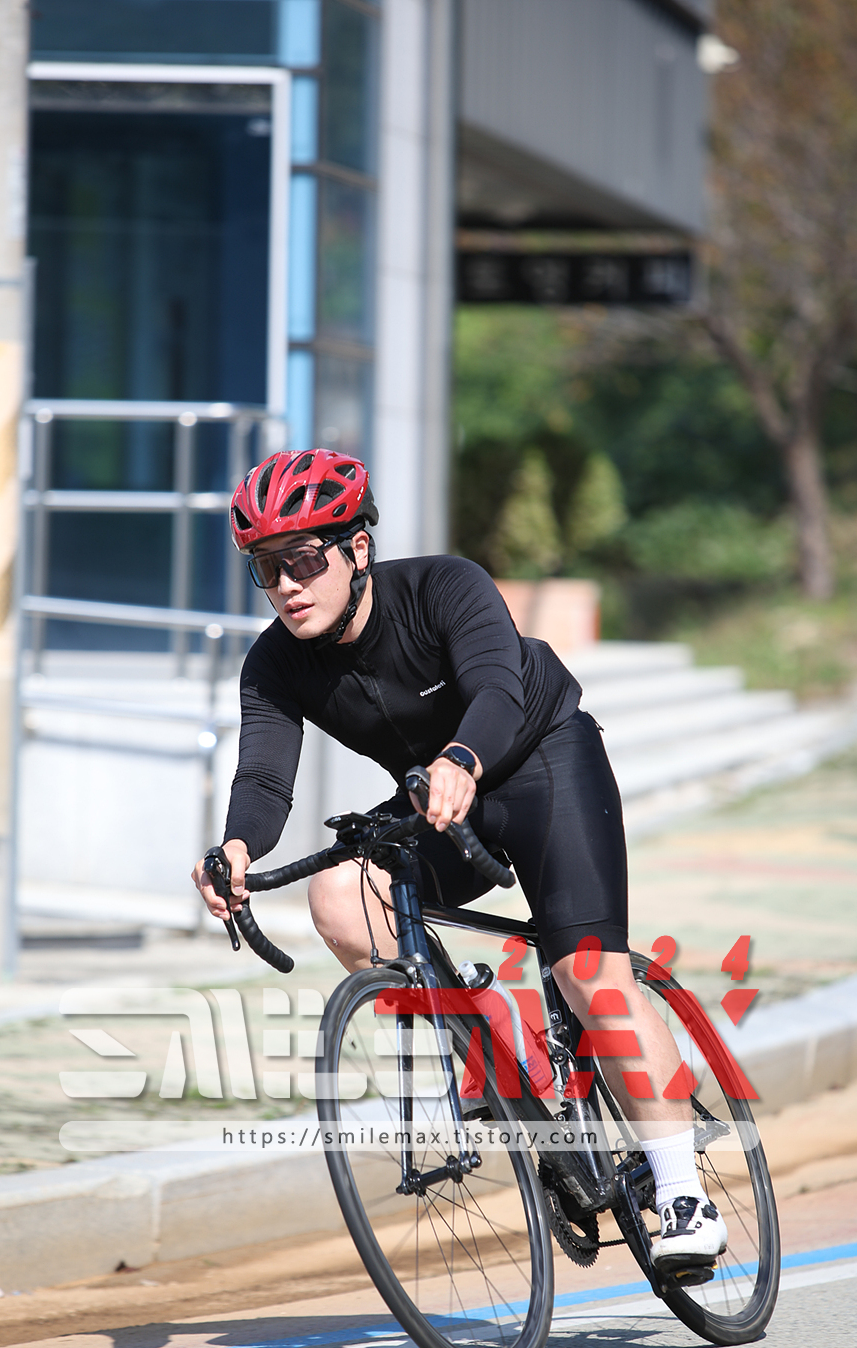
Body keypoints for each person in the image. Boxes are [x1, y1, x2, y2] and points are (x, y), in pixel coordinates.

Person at [191, 448, 726, 1267]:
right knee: (339, 896)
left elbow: (497, 691)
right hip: (435, 796)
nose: (288, 585)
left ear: (357, 549)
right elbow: (264, 775)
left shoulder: (445, 586)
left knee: (589, 974)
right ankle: (502, 1055)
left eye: (303, 561)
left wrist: (463, 760)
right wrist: (235, 847)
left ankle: (685, 1196)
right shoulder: (275, 662)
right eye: (268, 569)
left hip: (541, 762)